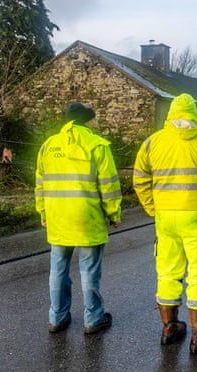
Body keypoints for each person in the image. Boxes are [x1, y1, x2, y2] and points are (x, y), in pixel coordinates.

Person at [133, 93, 197, 354]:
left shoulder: (152, 142)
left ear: (171, 115)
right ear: (194, 114)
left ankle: (170, 328)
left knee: (167, 271)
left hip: (165, 219)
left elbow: (139, 178)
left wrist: (153, 208)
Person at [35, 101, 122, 335]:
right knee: (89, 271)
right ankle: (93, 319)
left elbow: (40, 184)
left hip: (57, 218)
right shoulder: (97, 145)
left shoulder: (48, 146)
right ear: (88, 121)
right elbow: (109, 186)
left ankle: (57, 317)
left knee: (58, 269)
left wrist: (43, 212)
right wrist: (114, 213)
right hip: (87, 218)